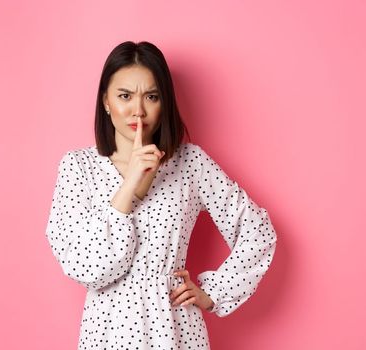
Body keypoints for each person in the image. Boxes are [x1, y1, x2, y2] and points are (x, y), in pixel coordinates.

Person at [44, 41, 277, 348]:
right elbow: (87, 267)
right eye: (125, 96)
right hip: (108, 332)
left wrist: (215, 291)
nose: (137, 111)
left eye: (151, 97)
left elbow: (258, 231)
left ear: (163, 102)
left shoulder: (190, 163)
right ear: (106, 101)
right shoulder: (78, 168)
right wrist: (130, 185)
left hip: (177, 331)